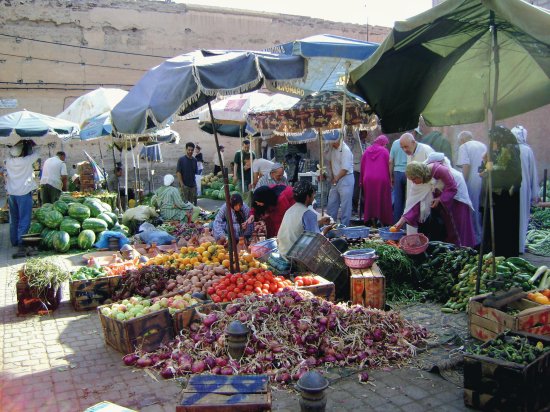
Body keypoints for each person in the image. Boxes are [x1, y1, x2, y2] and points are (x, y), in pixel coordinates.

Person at [394, 157, 475, 247]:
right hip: (442, 195)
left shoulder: (439, 170)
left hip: (456, 197)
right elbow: (415, 203)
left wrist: (440, 198)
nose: (413, 182)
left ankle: (463, 248)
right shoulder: (421, 179)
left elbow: (452, 188)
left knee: (457, 226)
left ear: (420, 175)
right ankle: (451, 249)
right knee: (448, 227)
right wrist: (402, 220)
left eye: (414, 179)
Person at [479, 126, 522, 258]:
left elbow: (511, 174)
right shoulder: (494, 151)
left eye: (494, 140)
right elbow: (484, 168)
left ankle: (504, 255)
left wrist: (490, 173)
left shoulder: (510, 149)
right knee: (493, 228)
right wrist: (485, 166)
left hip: (505, 198)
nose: (492, 143)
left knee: (504, 229)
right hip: (494, 196)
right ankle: (494, 253)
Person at [277, 180, 335, 257]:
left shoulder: (289, 210)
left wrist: (320, 222)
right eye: (313, 195)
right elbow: (316, 241)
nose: (314, 198)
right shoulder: (308, 213)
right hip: (297, 258)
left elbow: (298, 228)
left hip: (283, 254)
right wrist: (325, 230)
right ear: (308, 197)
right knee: (334, 238)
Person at [5, 141, 40, 258]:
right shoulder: (26, 161)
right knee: (24, 220)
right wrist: (32, 144)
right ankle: (21, 243)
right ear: (22, 153)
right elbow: (37, 153)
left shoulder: (8, 161)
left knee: (14, 219)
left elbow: (8, 153)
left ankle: (14, 240)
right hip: (24, 193)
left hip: (12, 194)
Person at [456, 130, 487, 246]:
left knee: (472, 209)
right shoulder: (482, 145)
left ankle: (476, 239)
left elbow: (466, 166)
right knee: (481, 208)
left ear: (462, 140)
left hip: (472, 181)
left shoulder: (464, 147)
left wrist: (462, 182)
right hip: (484, 179)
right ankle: (482, 236)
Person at [511, 125, 539, 254]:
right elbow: (533, 173)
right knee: (522, 216)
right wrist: (535, 193)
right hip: (523, 188)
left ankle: (512, 245)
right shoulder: (527, 150)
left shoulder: (509, 149)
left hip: (510, 188)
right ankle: (519, 247)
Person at [360, 135, 392, 227]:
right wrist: (391, 179)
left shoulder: (366, 151)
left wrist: (361, 181)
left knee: (370, 200)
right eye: (385, 144)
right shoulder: (384, 151)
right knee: (383, 200)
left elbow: (362, 166)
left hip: (368, 179)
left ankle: (371, 221)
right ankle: (383, 222)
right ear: (382, 143)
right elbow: (389, 166)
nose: (385, 146)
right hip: (382, 179)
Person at [326, 139, 354, 226]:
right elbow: (330, 161)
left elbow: (345, 169)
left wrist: (336, 178)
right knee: (332, 204)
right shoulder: (332, 149)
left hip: (346, 178)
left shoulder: (345, 150)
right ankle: (330, 225)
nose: (329, 143)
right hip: (336, 178)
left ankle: (344, 226)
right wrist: (331, 175)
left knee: (345, 205)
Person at [389, 136, 408, 223]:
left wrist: (391, 176)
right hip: (408, 172)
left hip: (397, 172)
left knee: (398, 200)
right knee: (408, 200)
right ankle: (405, 225)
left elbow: (390, 161)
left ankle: (396, 223)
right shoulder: (411, 143)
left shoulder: (395, 143)